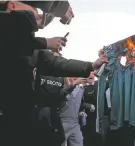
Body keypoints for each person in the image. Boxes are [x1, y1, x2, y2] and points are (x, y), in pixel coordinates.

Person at [0, 2, 108, 146]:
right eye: (33, 10)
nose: (38, 15)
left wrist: (90, 65)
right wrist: (44, 42)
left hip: (23, 115)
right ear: (13, 5)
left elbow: (57, 63)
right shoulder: (13, 34)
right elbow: (11, 37)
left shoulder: (33, 48)